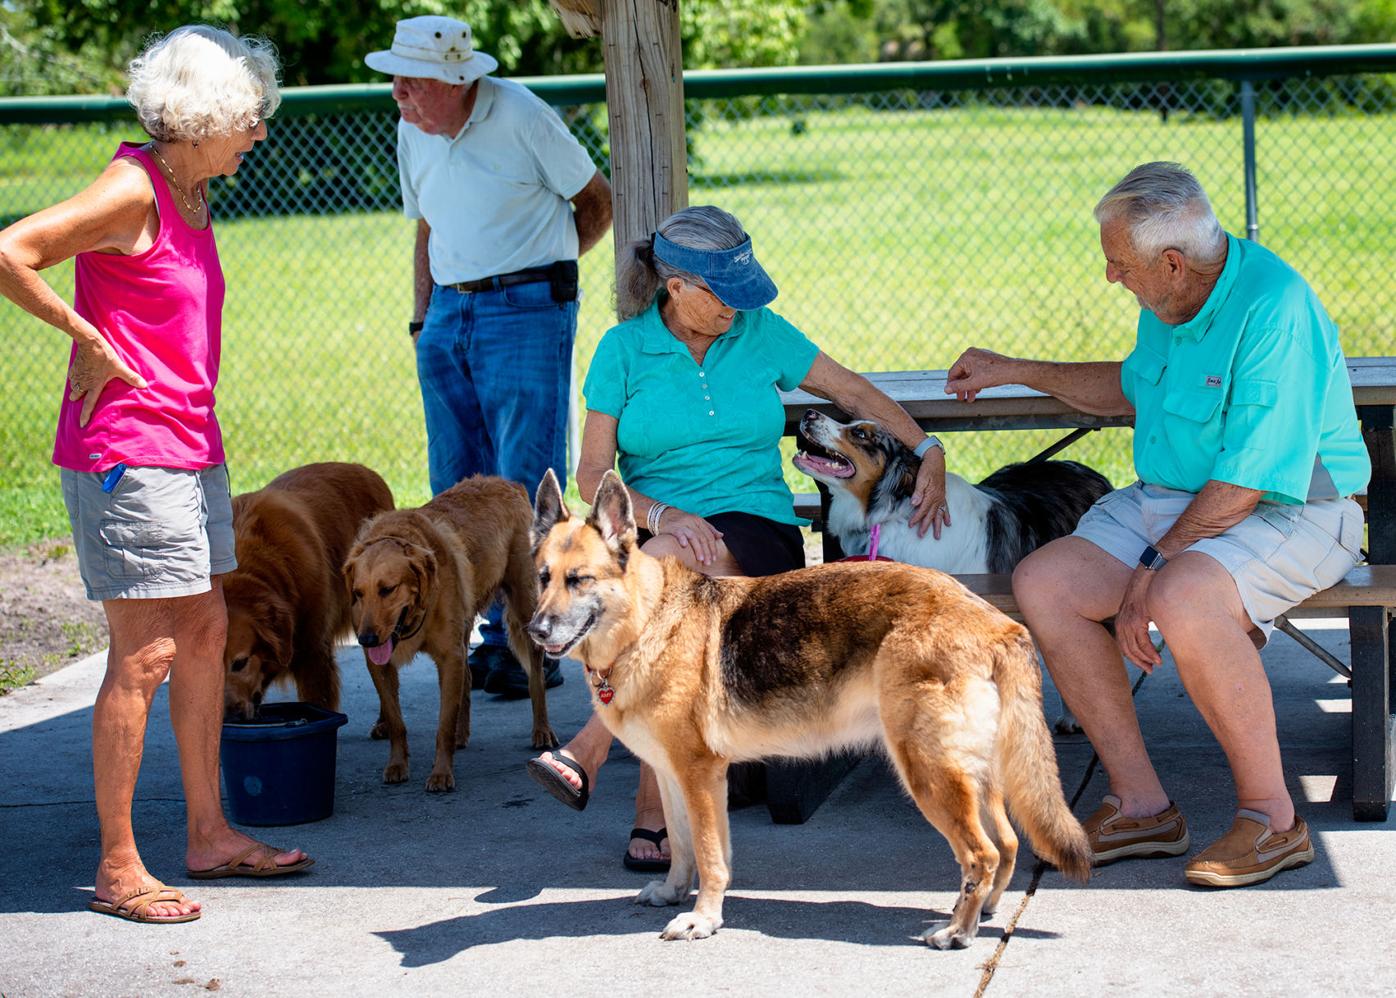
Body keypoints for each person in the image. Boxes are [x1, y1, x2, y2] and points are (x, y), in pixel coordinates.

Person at [946, 162, 1369, 888]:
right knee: (1045, 581)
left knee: (1182, 594)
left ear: (1170, 262)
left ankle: (1274, 820)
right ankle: (1141, 805)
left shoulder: (1276, 309)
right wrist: (1014, 368)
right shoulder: (1171, 298)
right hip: (1175, 501)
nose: (1112, 277)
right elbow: (1134, 384)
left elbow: (1245, 483)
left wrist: (1150, 568)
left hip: (1294, 507)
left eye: (1119, 263)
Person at [528, 205, 952, 868]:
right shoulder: (623, 351)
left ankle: (597, 753)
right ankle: (643, 798)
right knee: (665, 578)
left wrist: (926, 447)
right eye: (724, 294)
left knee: (654, 581)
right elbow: (591, 473)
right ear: (678, 289)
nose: (737, 307)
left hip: (754, 531)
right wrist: (663, 515)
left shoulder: (760, 334)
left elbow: (853, 392)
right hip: (659, 528)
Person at [0, 26, 312, 923]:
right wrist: (83, 336)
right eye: (247, 119)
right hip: (129, 456)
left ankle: (209, 833)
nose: (257, 134)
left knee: (208, 628)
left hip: (190, 446)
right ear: (202, 118)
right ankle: (117, 864)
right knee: (146, 653)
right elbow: (13, 249)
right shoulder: (132, 187)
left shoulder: (193, 187)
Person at [365, 16, 613, 697]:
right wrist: (424, 318)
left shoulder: (521, 115)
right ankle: (472, 634)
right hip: (448, 310)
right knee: (456, 481)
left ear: (454, 80)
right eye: (396, 80)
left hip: (526, 307)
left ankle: (534, 638)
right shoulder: (414, 128)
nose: (398, 94)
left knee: (523, 478)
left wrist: (543, 276)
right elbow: (426, 224)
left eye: (410, 82)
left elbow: (596, 202)